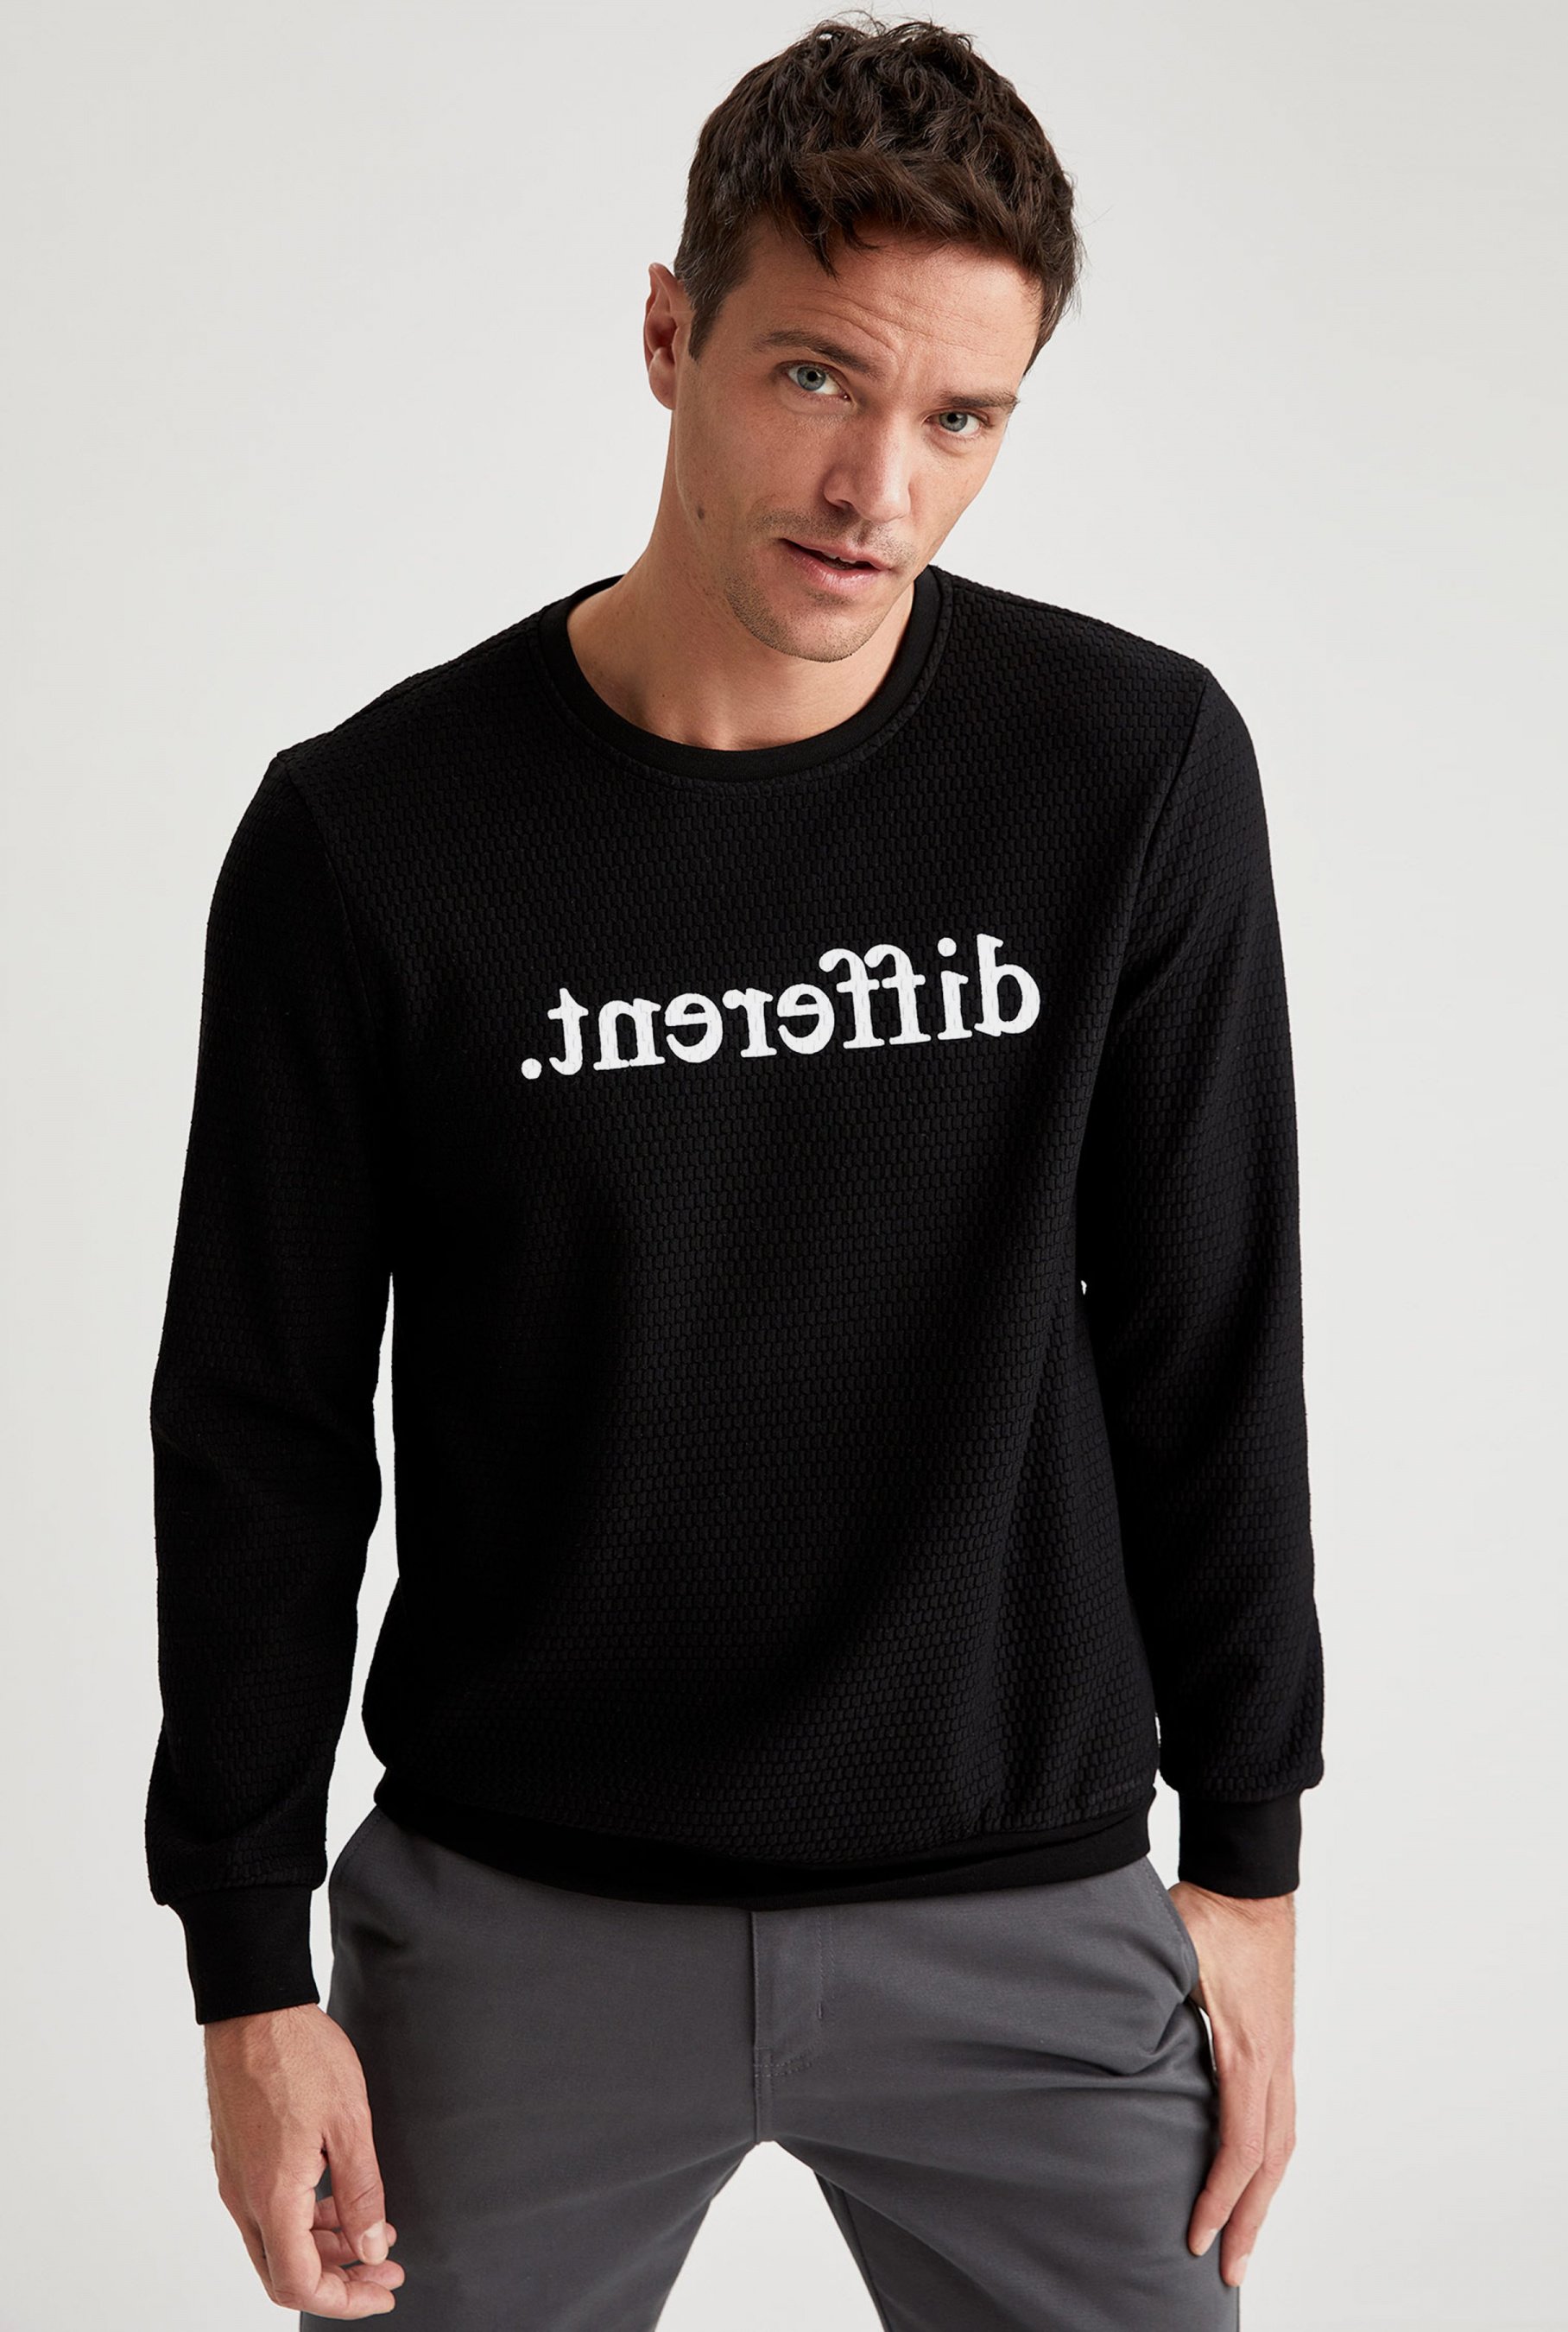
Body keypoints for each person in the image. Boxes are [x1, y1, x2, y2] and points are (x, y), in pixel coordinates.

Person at [145, 16, 1325, 2326]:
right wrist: (245, 1965)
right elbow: (258, 1423)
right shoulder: (369, 841)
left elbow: (1210, 1332)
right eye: (814, 377)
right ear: (669, 337)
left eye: (961, 417)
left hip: (1021, 1909)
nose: (877, 483)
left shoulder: (1129, 770)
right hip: (516, 1920)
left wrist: (1253, 1860)